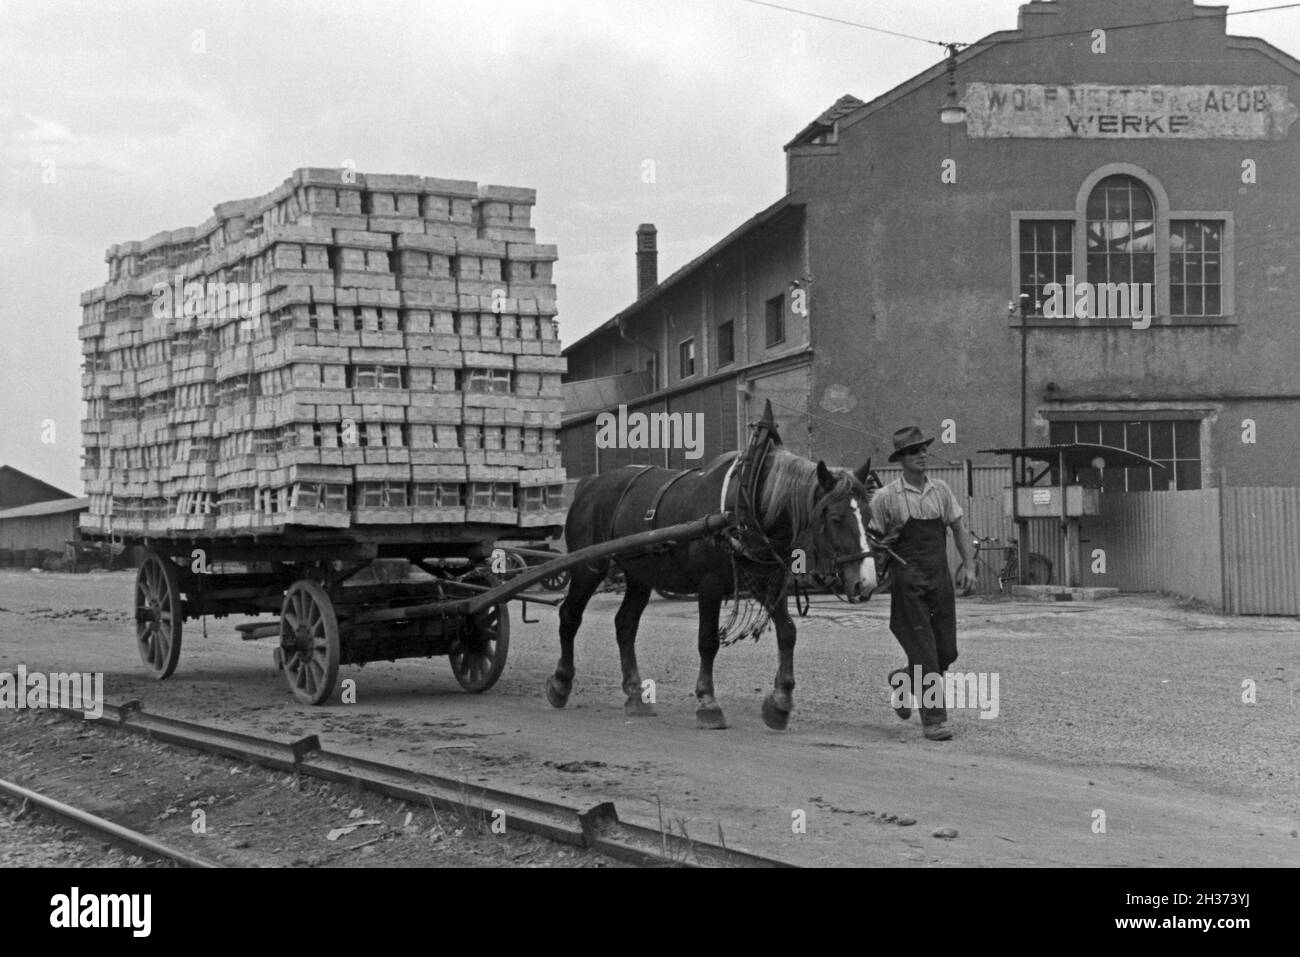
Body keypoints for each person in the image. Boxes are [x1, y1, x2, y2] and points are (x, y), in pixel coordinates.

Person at [872, 426, 977, 741]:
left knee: (947, 650)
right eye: (914, 452)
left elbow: (958, 529)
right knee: (926, 654)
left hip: (939, 578)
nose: (921, 456)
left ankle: (904, 680)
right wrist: (880, 554)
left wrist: (969, 566)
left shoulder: (941, 490)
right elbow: (873, 538)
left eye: (922, 450)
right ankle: (934, 720)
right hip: (907, 583)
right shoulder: (886, 497)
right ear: (901, 459)